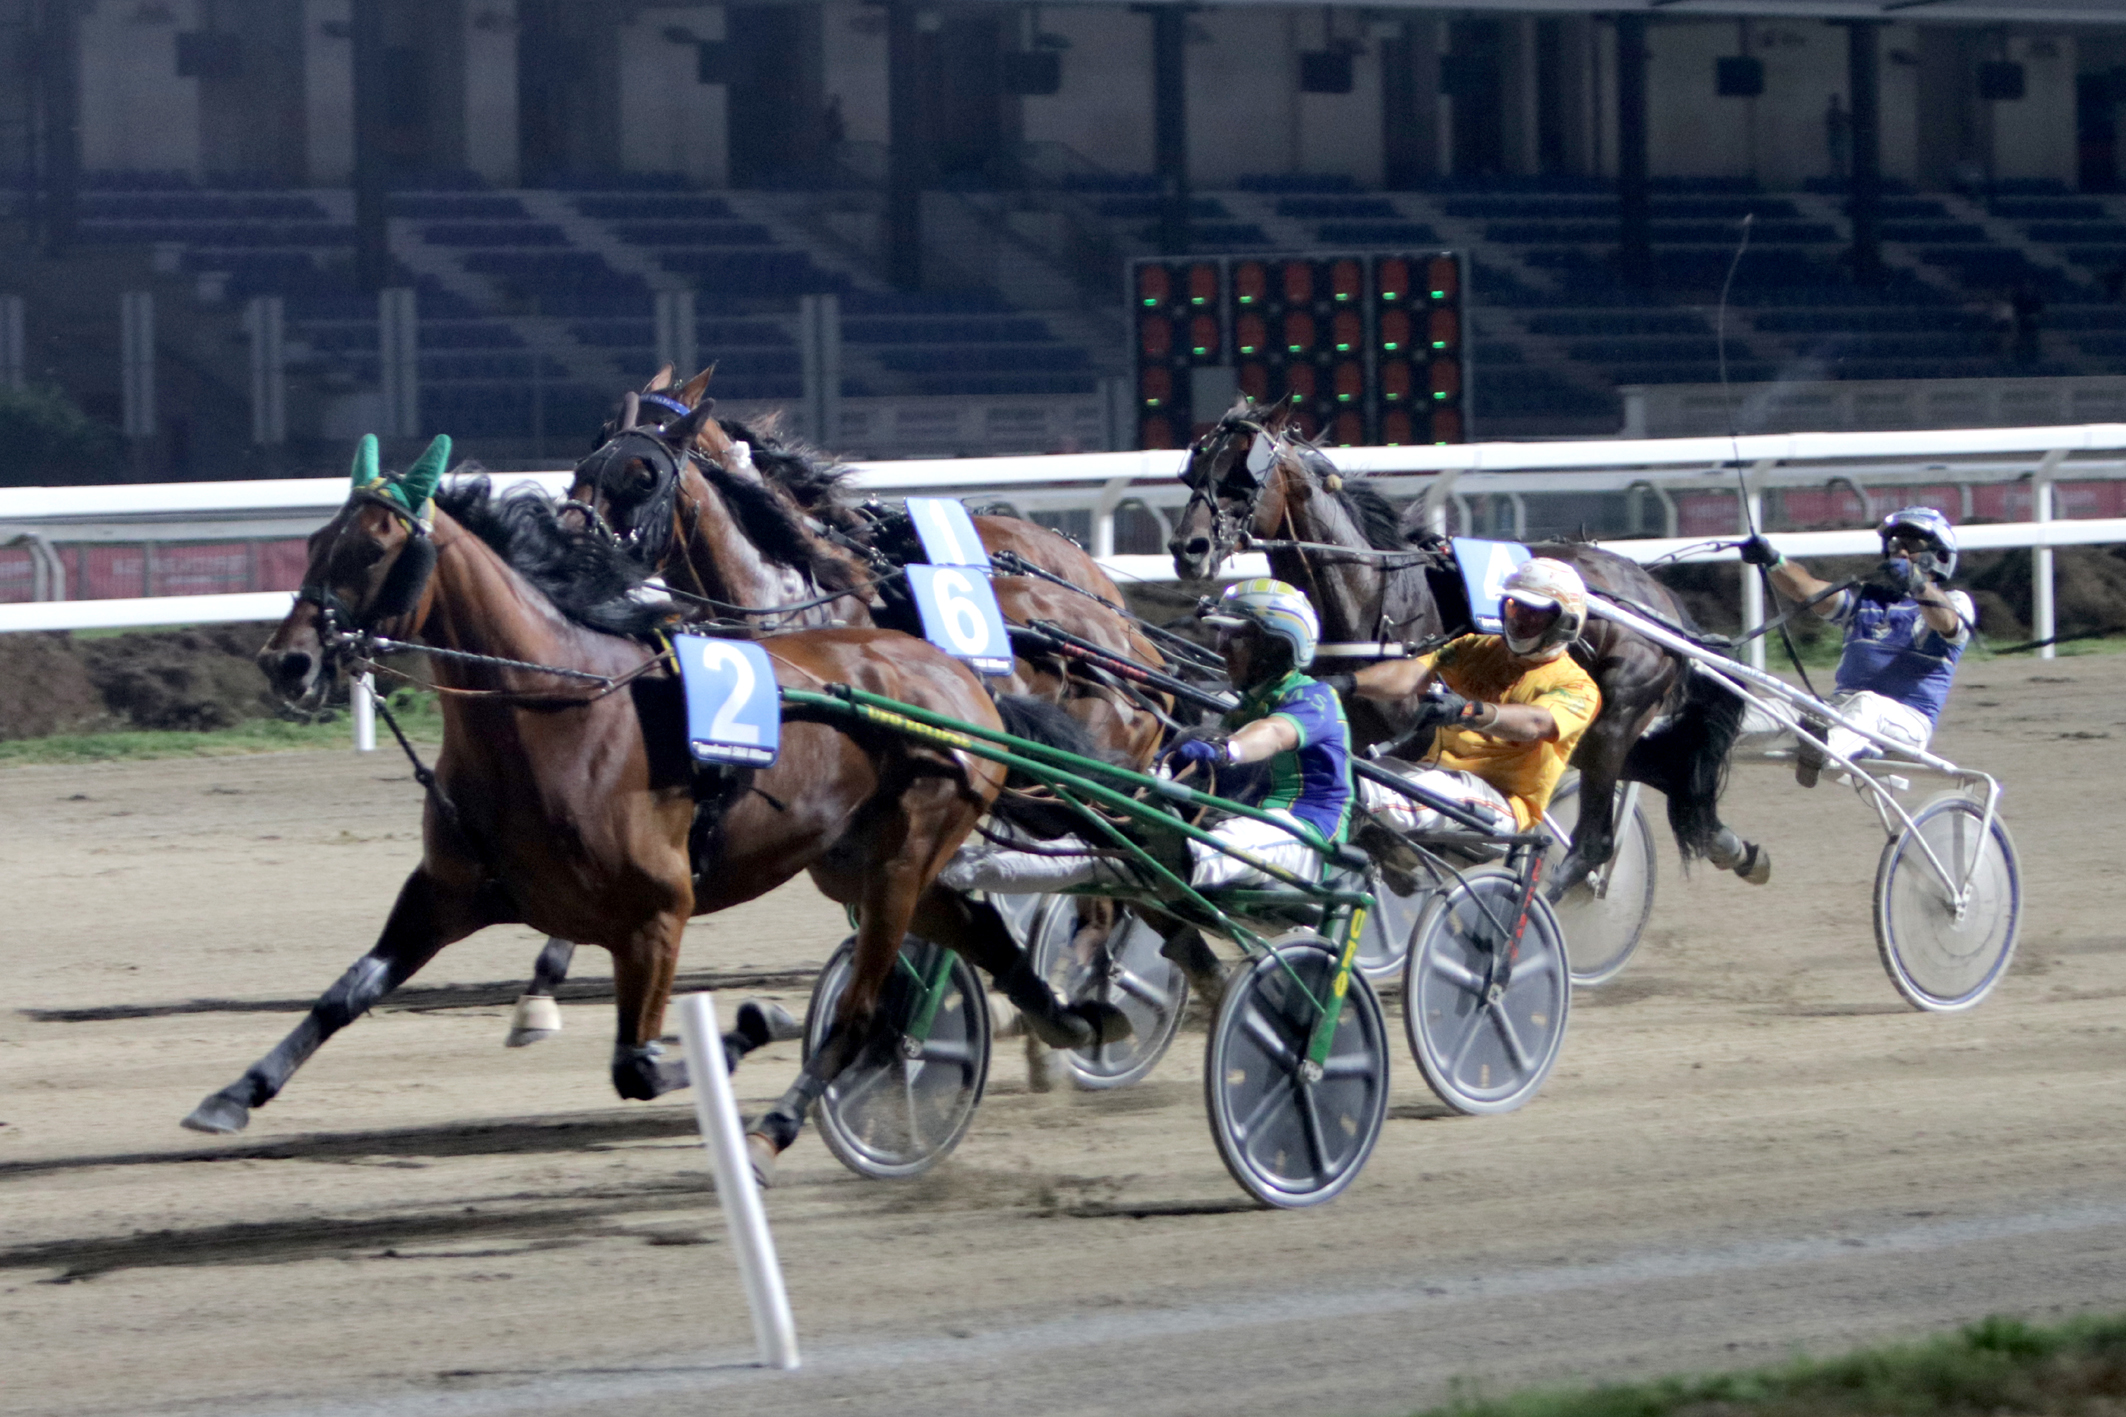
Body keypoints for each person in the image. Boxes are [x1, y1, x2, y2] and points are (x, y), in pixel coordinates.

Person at [938, 578, 1351, 999]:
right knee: (1087, 857)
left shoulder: (1314, 699)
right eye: (1222, 635)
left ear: (1276, 647)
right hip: (1229, 836)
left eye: (1236, 638)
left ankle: (1174, 852)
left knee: (1198, 844)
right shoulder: (1240, 707)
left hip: (1300, 840)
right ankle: (958, 868)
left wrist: (1227, 748)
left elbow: (1274, 734)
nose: (1222, 648)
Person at [1324, 558, 1601, 840]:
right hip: (1433, 774)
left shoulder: (1578, 687)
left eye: (1536, 614)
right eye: (1515, 607)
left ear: (1565, 624)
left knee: (1367, 791)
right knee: (1331, 773)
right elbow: (1412, 674)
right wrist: (1343, 684)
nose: (1520, 619)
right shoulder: (1474, 647)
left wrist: (1467, 710)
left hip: (1501, 801)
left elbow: (1535, 723)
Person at [1740, 506, 1976, 786]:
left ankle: (1824, 752)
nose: (1899, 552)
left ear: (1939, 556)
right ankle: (1691, 736)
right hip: (1840, 713)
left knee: (1867, 703)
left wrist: (1917, 584)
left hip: (1906, 724)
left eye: (1911, 545)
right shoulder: (1865, 601)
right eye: (1894, 545)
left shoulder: (1956, 602)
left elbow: (1946, 621)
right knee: (1776, 707)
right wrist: (1772, 560)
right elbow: (1808, 589)